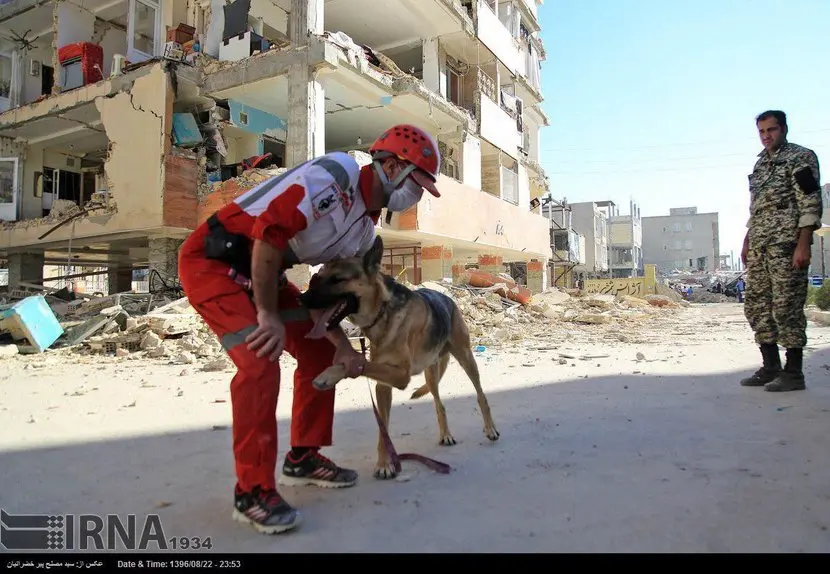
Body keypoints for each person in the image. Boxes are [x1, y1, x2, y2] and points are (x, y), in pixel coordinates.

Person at [177, 124, 442, 534]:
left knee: (320, 353)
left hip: (266, 273)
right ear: (392, 167)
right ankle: (252, 492)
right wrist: (267, 314)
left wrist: (343, 347)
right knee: (260, 361)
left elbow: (326, 292)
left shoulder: (363, 232)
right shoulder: (337, 175)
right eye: (417, 185)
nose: (417, 196)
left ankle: (302, 457)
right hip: (214, 262)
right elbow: (269, 232)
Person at [739, 110, 823, 392]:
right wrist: (747, 240)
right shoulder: (761, 164)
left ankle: (794, 372)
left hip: (787, 244)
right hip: (760, 244)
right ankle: (770, 366)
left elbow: (809, 201)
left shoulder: (800, 157)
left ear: (784, 129)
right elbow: (757, 208)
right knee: (756, 306)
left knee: (787, 307)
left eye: (771, 130)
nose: (766, 136)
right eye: (762, 131)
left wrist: (803, 243)